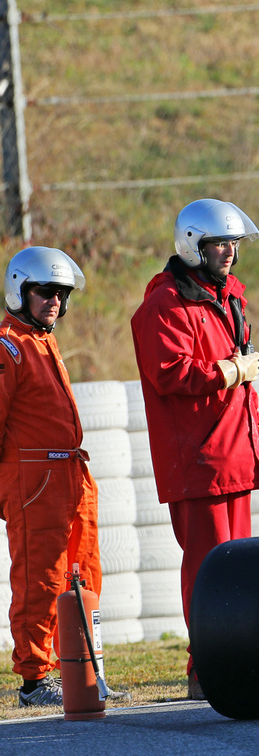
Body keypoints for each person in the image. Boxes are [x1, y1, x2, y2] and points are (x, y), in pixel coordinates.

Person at [131, 199, 259, 700]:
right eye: (219, 243)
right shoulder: (165, 304)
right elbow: (169, 374)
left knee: (239, 569)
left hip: (233, 455)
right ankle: (205, 668)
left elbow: (245, 380)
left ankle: (239, 660)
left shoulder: (227, 296)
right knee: (209, 569)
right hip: (198, 461)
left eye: (233, 243)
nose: (229, 252)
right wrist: (227, 371)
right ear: (193, 245)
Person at [0, 248, 95, 707]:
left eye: (61, 293)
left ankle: (82, 671)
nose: (54, 300)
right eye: (44, 291)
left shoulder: (43, 339)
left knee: (82, 576)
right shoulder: (8, 345)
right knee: (39, 579)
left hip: (70, 475)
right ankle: (36, 681)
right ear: (20, 291)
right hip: (34, 480)